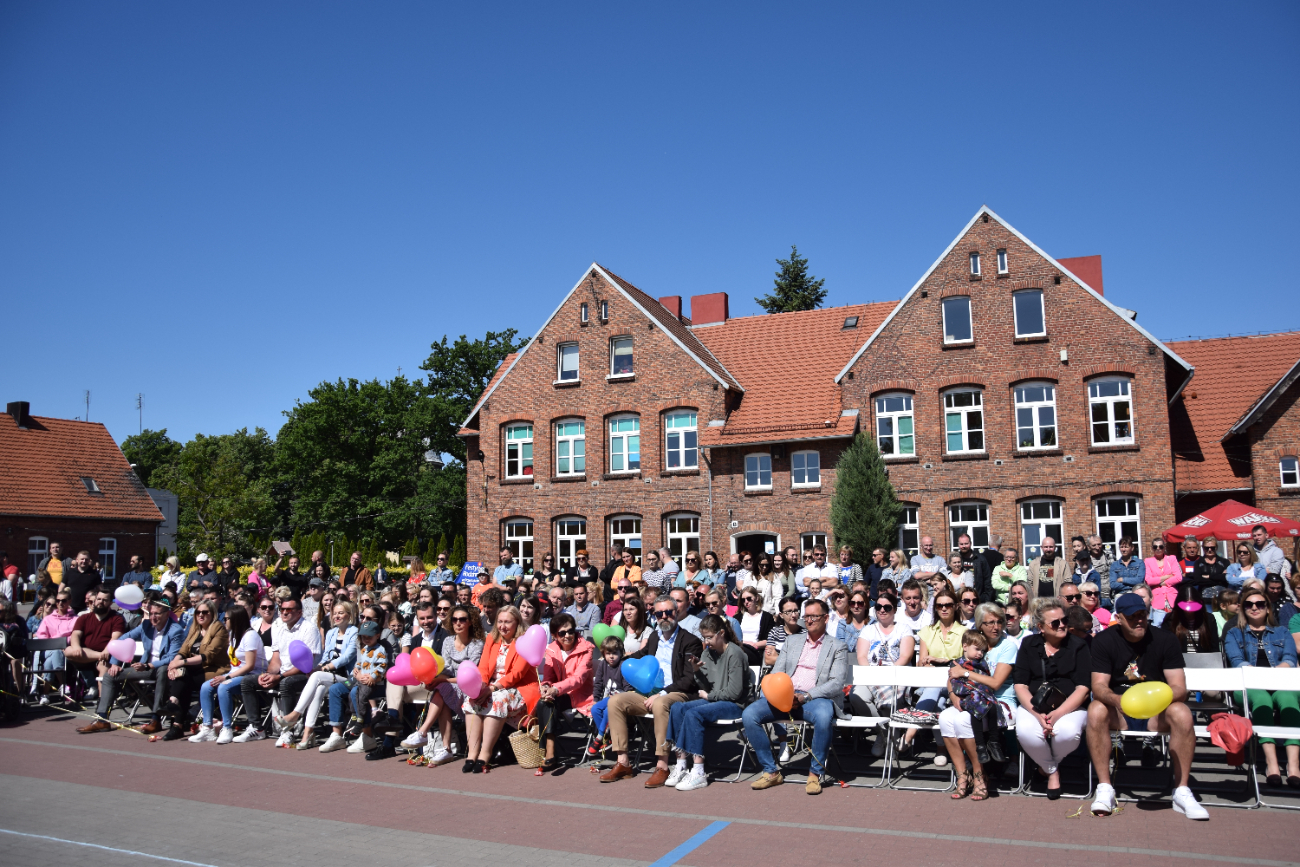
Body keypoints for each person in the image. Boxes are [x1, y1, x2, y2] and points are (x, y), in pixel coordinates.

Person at [1086, 593, 1208, 820]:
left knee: (1182, 712)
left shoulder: (1165, 639)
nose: (1139, 620)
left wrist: (1156, 701)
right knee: (1095, 709)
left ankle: (1182, 790)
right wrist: (1117, 700)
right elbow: (1099, 686)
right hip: (1120, 710)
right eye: (1132, 616)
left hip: (1157, 711)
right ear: (1119, 618)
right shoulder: (1104, 641)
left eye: (1143, 614)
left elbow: (1180, 688)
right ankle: (1105, 788)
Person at [744, 598, 849, 795]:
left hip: (815, 699)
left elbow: (836, 683)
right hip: (786, 696)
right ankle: (771, 771)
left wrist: (806, 697)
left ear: (826, 618)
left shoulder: (837, 646)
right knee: (750, 714)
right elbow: (777, 672)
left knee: (824, 716)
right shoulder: (792, 642)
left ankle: (814, 774)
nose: (808, 620)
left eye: (814, 616)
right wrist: (782, 695)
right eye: (806, 616)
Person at [598, 598, 704, 786]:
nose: (664, 617)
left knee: (660, 703)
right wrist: (617, 656)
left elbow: (689, 679)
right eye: (659, 613)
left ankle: (662, 766)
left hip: (677, 692)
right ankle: (623, 762)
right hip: (649, 691)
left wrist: (662, 693)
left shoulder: (690, 641)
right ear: (654, 616)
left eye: (668, 612)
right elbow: (642, 654)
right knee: (615, 702)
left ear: (677, 612)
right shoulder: (654, 637)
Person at [1013, 597, 1092, 798]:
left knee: (1067, 733)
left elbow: (1083, 688)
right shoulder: (1029, 644)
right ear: (1040, 626)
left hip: (1070, 706)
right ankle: (1051, 770)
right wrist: (1037, 714)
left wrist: (1057, 714)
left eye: (1064, 620)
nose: (1062, 625)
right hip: (1035, 704)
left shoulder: (1078, 646)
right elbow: (1021, 685)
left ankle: (1043, 767)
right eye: (1055, 623)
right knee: (1026, 732)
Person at [1223, 586, 1299, 786]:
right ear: (1243, 608)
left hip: (1280, 682)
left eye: (1260, 604)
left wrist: (1274, 675)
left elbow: (1290, 658)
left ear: (1268, 608)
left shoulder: (1282, 631)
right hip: (1248, 686)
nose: (1254, 607)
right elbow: (1237, 660)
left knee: (1289, 700)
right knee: (1263, 700)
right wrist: (1262, 678)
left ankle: (1293, 765)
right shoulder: (1234, 634)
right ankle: (1271, 763)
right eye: (1249, 604)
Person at [662, 614, 748, 790]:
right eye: (704, 637)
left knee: (694, 713)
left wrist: (709, 697)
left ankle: (699, 770)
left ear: (721, 633)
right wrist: (697, 671)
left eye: (709, 637)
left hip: (735, 705)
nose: (706, 641)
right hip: (715, 700)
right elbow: (706, 685)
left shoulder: (735, 653)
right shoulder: (708, 653)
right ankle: (681, 764)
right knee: (678, 707)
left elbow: (734, 692)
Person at [77, 598, 185, 734]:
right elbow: (121, 640)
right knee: (110, 675)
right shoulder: (146, 625)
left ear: (166, 613)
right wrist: (115, 663)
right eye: (151, 613)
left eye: (157, 614)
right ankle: (102, 720)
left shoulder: (176, 630)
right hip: (145, 668)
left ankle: (155, 719)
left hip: (163, 668)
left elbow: (171, 657)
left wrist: (148, 665)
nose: (153, 617)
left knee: (162, 670)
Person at [402, 603, 484, 765]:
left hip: (470, 688)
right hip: (449, 686)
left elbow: (469, 676)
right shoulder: (448, 641)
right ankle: (445, 749)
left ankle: (423, 732)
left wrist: (442, 680)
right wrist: (434, 679)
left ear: (470, 622)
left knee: (442, 688)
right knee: (442, 692)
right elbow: (446, 668)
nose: (458, 623)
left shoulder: (476, 644)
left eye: (462, 619)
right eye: (454, 620)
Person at [461, 606, 538, 773]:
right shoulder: (492, 638)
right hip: (491, 686)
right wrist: (481, 686)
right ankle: (472, 753)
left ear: (517, 623)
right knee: (471, 699)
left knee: (497, 700)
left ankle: (485, 753)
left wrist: (493, 688)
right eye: (500, 621)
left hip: (518, 687)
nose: (503, 626)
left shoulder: (524, 641)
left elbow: (517, 673)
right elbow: (483, 666)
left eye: (508, 622)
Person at [238, 592, 321, 744]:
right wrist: (268, 674)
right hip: (282, 673)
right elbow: (276, 658)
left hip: (306, 675)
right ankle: (256, 728)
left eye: (288, 610)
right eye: (282, 609)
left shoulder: (309, 629)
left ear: (299, 612)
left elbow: (306, 665)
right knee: (247, 682)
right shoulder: (279, 628)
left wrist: (280, 677)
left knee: (286, 683)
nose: (283, 612)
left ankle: (288, 731)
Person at [274, 602, 357, 750]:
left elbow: (347, 657)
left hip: (346, 677)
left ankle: (294, 715)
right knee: (318, 687)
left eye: (341, 613)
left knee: (317, 676)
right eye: (335, 613)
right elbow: (325, 656)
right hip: (328, 675)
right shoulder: (331, 633)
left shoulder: (354, 632)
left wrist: (324, 668)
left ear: (349, 615)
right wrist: (317, 667)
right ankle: (307, 734)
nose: (337, 616)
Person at [191, 606, 264, 743]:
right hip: (234, 674)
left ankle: (227, 728)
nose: (223, 621)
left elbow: (249, 665)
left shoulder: (250, 636)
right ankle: (208, 728)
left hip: (252, 675)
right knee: (207, 686)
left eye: (226, 619)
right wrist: (227, 675)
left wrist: (227, 677)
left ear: (235, 619)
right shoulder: (233, 635)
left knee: (224, 687)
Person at [852, 594, 915, 757]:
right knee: (856, 697)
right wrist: (873, 674)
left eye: (887, 607)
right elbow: (862, 656)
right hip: (871, 675)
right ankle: (885, 733)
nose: (882, 610)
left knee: (889, 702)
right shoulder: (868, 630)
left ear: (894, 609)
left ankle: (889, 739)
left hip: (896, 674)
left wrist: (888, 673)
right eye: (878, 607)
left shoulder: (904, 629)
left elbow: (905, 657)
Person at [157, 600, 229, 739]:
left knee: (185, 678)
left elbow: (207, 655)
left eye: (204, 612)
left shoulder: (218, 628)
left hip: (213, 669)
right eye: (198, 612)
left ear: (212, 613)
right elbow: (183, 651)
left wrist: (181, 663)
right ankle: (174, 707)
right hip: (195, 669)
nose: (200, 615)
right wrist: (173, 664)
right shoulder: (195, 629)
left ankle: (176, 721)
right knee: (181, 676)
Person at [535, 612, 595, 772]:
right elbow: (548, 676)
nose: (567, 635)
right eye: (562, 633)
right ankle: (550, 749)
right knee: (545, 702)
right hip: (559, 694)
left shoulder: (586, 648)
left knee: (549, 702)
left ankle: (549, 751)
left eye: (570, 631)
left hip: (580, 695)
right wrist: (546, 686)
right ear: (555, 635)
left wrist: (555, 689)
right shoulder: (552, 649)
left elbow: (579, 678)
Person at [943, 631, 999, 799]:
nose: (980, 653)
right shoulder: (957, 663)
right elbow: (950, 680)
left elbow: (989, 684)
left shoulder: (981, 665)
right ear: (965, 647)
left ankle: (979, 774)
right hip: (961, 701)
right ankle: (962, 775)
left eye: (983, 650)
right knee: (945, 718)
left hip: (979, 702)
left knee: (962, 720)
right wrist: (953, 697)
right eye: (977, 649)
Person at [321, 620, 388, 754]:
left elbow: (382, 666)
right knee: (335, 689)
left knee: (356, 692)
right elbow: (358, 665)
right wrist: (357, 674)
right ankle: (337, 734)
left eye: (370, 636)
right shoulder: (364, 649)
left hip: (374, 683)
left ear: (377, 635)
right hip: (358, 680)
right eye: (364, 636)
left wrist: (372, 677)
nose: (366, 639)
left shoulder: (380, 650)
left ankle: (366, 733)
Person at [31, 589, 78, 703]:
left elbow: (75, 635)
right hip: (48, 649)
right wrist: (55, 643)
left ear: (69, 601)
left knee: (49, 662)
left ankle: (45, 694)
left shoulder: (75, 619)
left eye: (63, 600)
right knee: (55, 651)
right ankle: (63, 684)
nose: (60, 603)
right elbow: (41, 635)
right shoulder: (48, 619)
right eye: (58, 601)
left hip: (65, 649)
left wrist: (62, 642)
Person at [588, 636, 628, 757]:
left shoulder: (623, 665)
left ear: (621, 653)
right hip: (608, 697)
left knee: (607, 712)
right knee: (595, 709)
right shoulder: (603, 665)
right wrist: (596, 699)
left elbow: (628, 687)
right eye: (608, 653)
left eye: (615, 653)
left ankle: (600, 738)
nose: (611, 656)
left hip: (620, 698)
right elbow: (598, 683)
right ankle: (607, 738)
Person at [1160, 587, 1219, 654]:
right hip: (1179, 662)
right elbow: (1166, 647)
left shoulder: (1209, 619)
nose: (1189, 611)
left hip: (1204, 661)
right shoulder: (1170, 620)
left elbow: (1214, 647)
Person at [735, 588, 774, 666]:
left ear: (756, 598)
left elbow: (769, 639)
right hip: (739, 648)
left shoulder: (767, 617)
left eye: (749, 599)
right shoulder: (737, 617)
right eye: (743, 600)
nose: (746, 602)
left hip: (755, 650)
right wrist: (744, 643)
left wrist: (754, 644)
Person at [1144, 537, 1182, 614]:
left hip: (1172, 597)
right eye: (1155, 547)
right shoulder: (1148, 561)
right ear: (1152, 548)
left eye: (1161, 547)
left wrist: (1161, 583)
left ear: (1164, 548)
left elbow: (1178, 577)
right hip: (1157, 599)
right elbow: (1149, 581)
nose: (1158, 549)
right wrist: (1167, 576)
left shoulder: (1171, 559)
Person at [1026, 537, 1066, 602]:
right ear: (1041, 547)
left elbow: (1067, 582)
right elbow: (1029, 583)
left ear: (1055, 547)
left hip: (1057, 602)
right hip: (1039, 602)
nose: (1048, 549)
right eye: (1046, 547)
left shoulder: (1062, 563)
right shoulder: (1033, 564)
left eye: (1051, 547)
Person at [1085, 535, 1113, 604]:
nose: (1097, 547)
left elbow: (1114, 572)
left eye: (1099, 544)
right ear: (1088, 547)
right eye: (1094, 545)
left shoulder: (1108, 555)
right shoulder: (1086, 560)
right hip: (1095, 597)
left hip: (1110, 596)